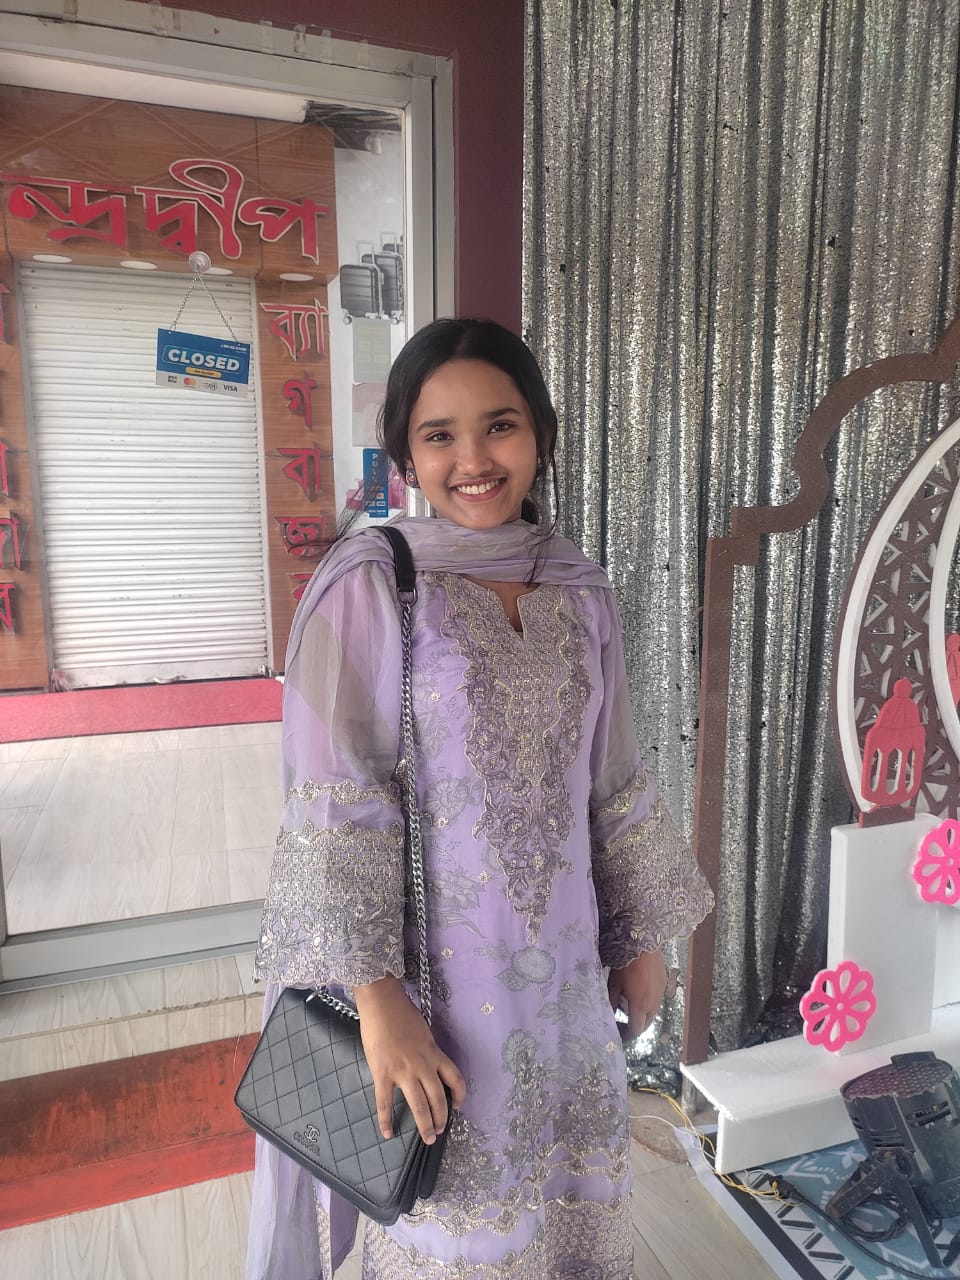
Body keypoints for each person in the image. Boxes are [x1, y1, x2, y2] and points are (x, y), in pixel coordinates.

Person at [245, 318, 714, 1280]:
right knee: (457, 1219)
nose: (473, 460)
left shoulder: (578, 586)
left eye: (499, 425)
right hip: (436, 989)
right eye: (439, 435)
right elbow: (337, 807)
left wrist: (643, 942)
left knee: (565, 1210)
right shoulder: (374, 584)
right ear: (405, 455)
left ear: (539, 433)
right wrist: (379, 1002)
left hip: (566, 979)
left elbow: (612, 778)